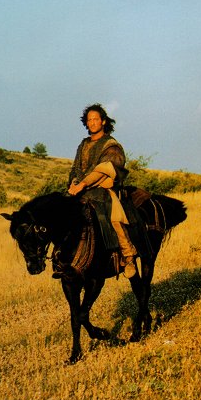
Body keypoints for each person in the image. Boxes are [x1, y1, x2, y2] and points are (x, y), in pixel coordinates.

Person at [67, 103, 139, 278]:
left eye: (95, 119)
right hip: (80, 190)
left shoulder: (111, 145)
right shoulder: (83, 144)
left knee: (115, 218)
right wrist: (74, 183)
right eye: (89, 120)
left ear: (103, 121)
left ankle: (128, 255)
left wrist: (83, 184)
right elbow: (76, 167)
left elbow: (104, 169)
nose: (92, 123)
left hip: (103, 190)